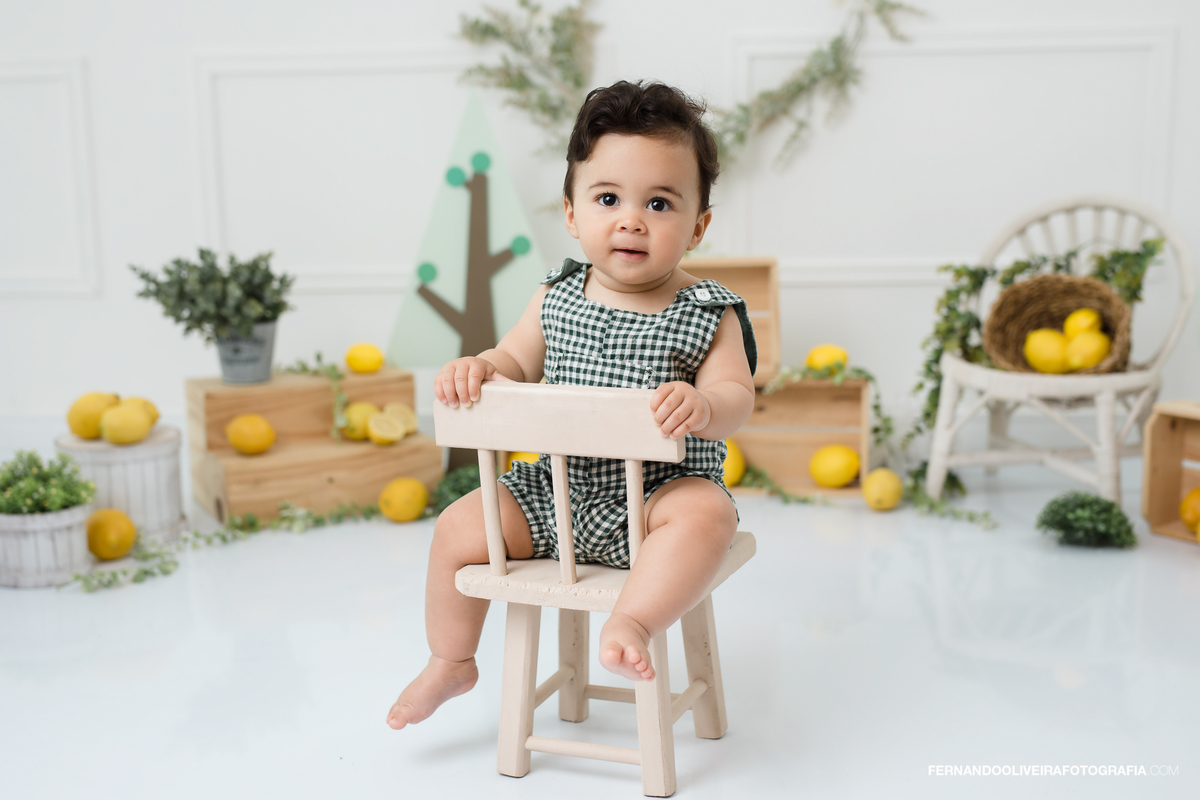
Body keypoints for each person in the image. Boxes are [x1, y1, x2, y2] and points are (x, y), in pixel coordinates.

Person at [387, 80, 757, 730]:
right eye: (608, 198)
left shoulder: (707, 311)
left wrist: (704, 404)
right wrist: (482, 367)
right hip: (553, 493)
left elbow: (737, 396)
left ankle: (633, 620)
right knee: (455, 528)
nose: (631, 219)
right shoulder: (555, 296)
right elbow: (512, 361)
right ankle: (451, 659)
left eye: (660, 203)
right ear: (570, 213)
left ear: (698, 225)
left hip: (655, 505)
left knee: (708, 515)